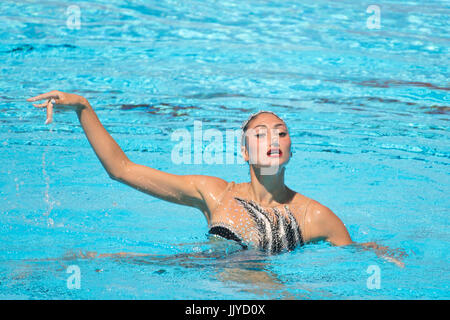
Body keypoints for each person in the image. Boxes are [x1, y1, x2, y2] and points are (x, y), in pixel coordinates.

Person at [27, 90, 405, 266]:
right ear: (244, 152)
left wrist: (377, 251)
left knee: (250, 272)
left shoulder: (316, 217)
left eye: (282, 131)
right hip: (195, 280)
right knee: (87, 260)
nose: (273, 138)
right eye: (261, 134)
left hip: (259, 297)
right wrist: (83, 108)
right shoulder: (214, 193)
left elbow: (352, 255)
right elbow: (122, 170)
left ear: (290, 148)